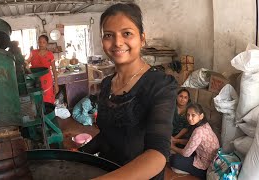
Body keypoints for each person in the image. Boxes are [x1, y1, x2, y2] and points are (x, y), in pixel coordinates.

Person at [78, 3, 177, 180]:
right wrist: (79, 154)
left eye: (127, 33)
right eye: (109, 35)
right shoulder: (107, 84)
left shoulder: (160, 85)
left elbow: (157, 155)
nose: (117, 42)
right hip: (107, 169)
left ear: (142, 38)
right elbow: (108, 135)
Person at [170, 103, 219, 180]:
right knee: (181, 146)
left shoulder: (198, 131)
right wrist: (176, 140)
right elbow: (191, 142)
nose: (189, 118)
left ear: (201, 116)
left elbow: (185, 153)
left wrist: (171, 146)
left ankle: (194, 172)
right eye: (188, 115)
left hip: (205, 167)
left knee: (174, 159)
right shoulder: (205, 124)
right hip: (205, 157)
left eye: (193, 115)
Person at [25, 35, 59, 104]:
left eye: (43, 42)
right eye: (40, 42)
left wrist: (56, 84)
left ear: (46, 43)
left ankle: (47, 113)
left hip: (47, 81)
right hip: (35, 80)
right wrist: (24, 62)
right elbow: (26, 62)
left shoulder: (50, 54)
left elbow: (54, 70)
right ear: (38, 43)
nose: (41, 44)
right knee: (37, 100)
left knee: (47, 101)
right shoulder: (33, 53)